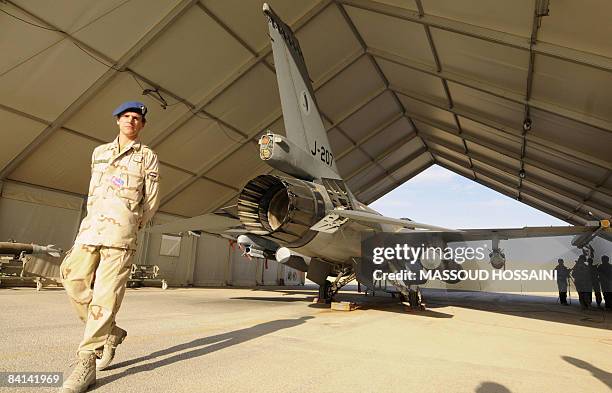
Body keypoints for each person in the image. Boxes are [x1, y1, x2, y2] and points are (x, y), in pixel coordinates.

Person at [59, 101, 160, 393]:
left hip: (121, 234)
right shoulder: (99, 153)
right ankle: (111, 332)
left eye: (137, 118)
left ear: (142, 125)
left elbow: (151, 201)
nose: (131, 121)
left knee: (105, 297)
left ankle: (86, 361)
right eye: (127, 116)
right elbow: (93, 191)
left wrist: (133, 223)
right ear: (117, 120)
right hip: (91, 229)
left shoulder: (147, 158)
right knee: (71, 278)